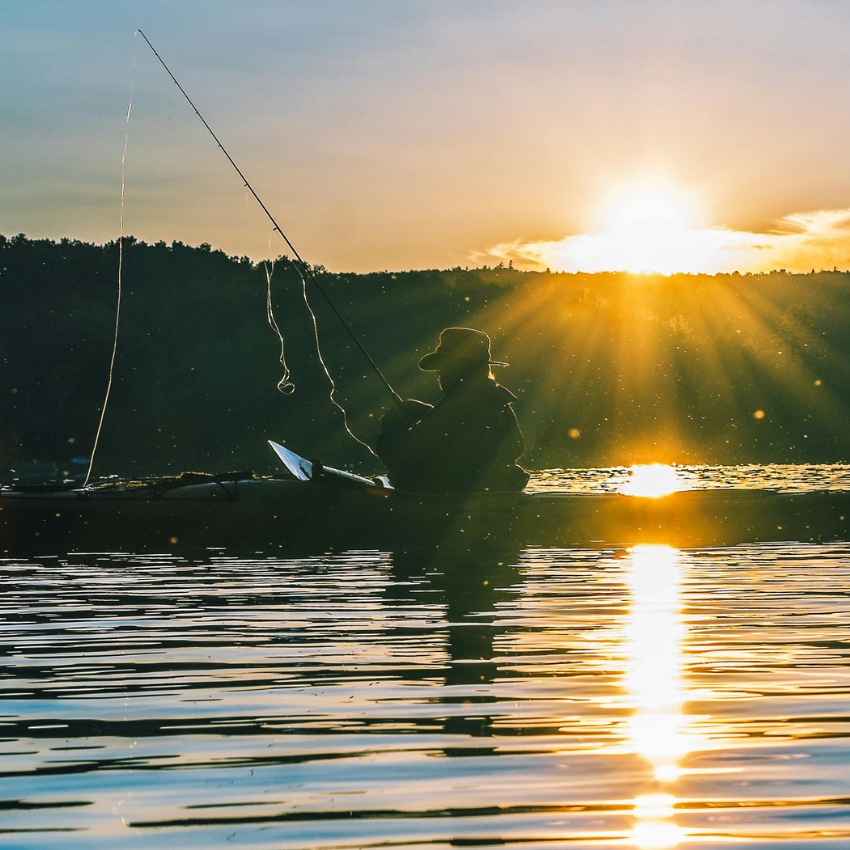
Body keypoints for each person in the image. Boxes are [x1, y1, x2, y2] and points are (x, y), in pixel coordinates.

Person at [376, 327, 529, 493]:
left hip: (446, 504)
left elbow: (400, 458)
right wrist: (431, 413)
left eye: (443, 368)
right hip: (491, 498)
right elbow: (515, 448)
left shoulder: (457, 408)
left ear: (460, 368)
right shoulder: (498, 402)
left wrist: (392, 426)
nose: (440, 375)